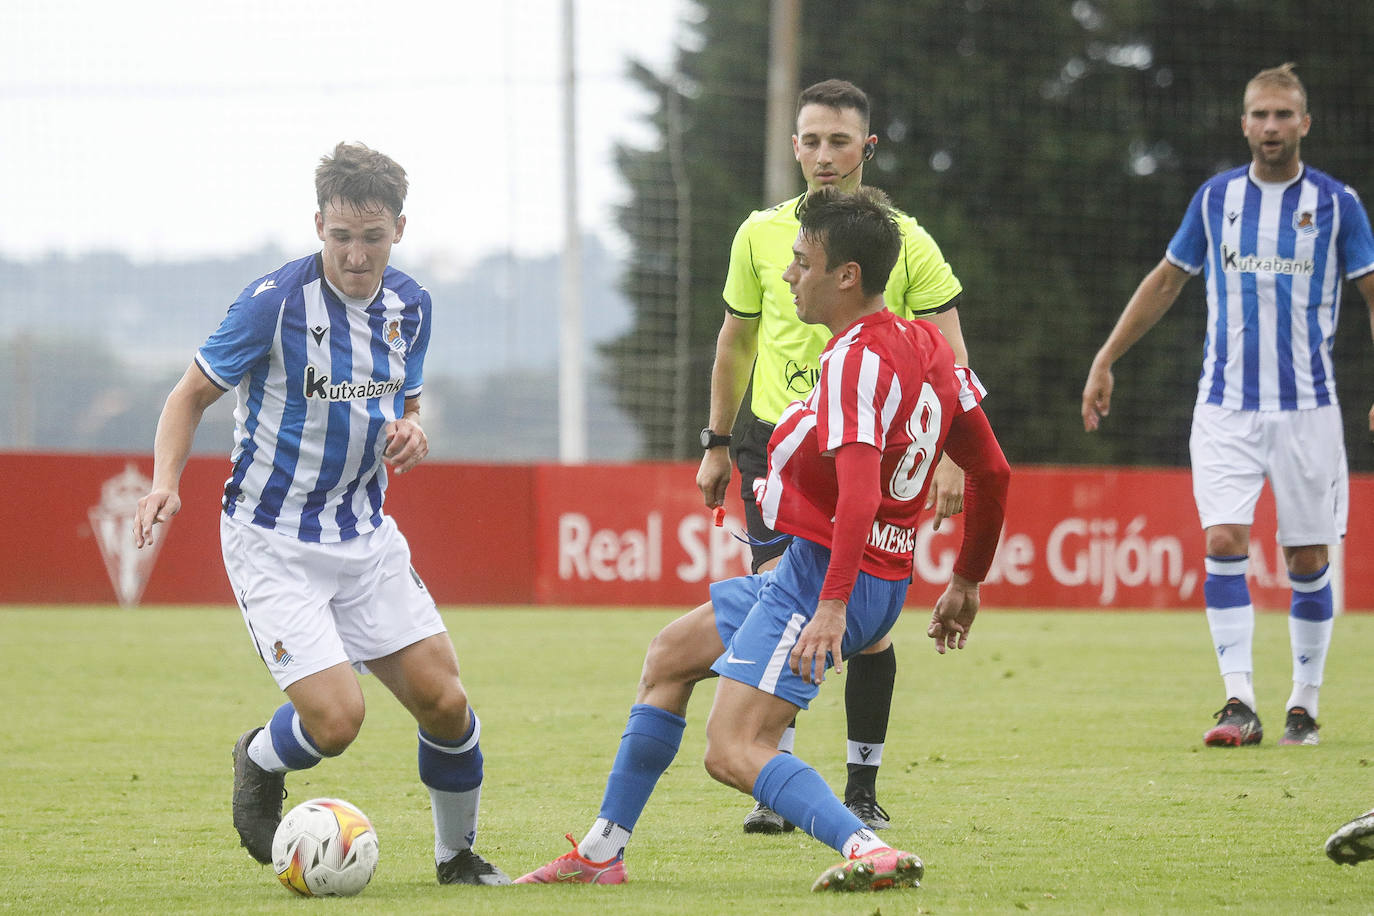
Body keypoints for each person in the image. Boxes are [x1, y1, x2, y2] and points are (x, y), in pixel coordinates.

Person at [518, 186, 1010, 892]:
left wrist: (832, 607)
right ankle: (602, 853)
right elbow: (993, 469)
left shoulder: (852, 361)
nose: (788, 276)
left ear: (847, 276)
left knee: (732, 749)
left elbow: (864, 492)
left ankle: (865, 847)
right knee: (669, 658)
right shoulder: (926, 342)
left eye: (802, 262)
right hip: (863, 577)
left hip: (824, 579)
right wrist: (966, 580)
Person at [132, 142, 510, 886]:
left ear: (399, 228)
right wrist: (163, 482)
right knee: (337, 723)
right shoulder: (272, 303)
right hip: (271, 538)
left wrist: (411, 427)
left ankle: (456, 856)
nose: (357, 255)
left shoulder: (413, 306)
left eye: (372, 237)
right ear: (318, 226)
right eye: (341, 237)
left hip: (364, 536)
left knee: (446, 701)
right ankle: (260, 757)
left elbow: (404, 397)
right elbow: (188, 396)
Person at [697, 78, 971, 833]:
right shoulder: (761, 234)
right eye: (811, 140)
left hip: (865, 452)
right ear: (794, 146)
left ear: (866, 148)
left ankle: (861, 783)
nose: (823, 155)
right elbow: (736, 339)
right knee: (775, 600)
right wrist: (717, 442)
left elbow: (945, 347)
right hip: (771, 445)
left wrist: (950, 454)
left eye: (839, 141)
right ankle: (771, 781)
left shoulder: (902, 239)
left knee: (866, 626)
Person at [1082, 63, 1374, 748]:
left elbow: (1370, 293)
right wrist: (1105, 358)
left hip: (1308, 409)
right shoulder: (1216, 200)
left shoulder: (1337, 204)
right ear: (1244, 124)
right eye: (1259, 115)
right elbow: (1165, 281)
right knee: (1222, 540)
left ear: (1304, 123)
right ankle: (1238, 701)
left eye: (1283, 115)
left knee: (1306, 557)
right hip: (1225, 407)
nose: (1270, 126)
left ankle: (1304, 701)